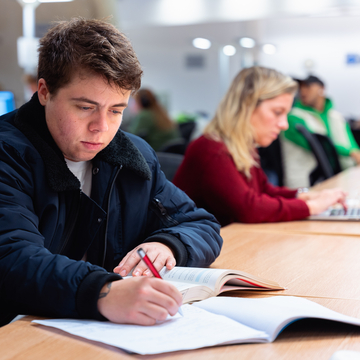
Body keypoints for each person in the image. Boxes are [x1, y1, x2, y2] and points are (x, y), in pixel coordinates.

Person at [0, 17, 223, 327]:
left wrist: (167, 244)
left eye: (116, 110)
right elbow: (11, 259)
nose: (101, 128)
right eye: (84, 107)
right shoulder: (6, 153)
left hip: (103, 333)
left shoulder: (133, 155)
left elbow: (200, 224)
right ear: (44, 92)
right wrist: (102, 291)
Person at [173, 67, 346, 226]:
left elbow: (264, 190)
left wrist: (304, 194)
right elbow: (248, 208)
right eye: (277, 112)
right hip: (191, 253)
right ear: (246, 106)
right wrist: (310, 207)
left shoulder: (243, 145)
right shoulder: (212, 149)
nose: (284, 124)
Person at [282, 75, 360, 188]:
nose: (303, 91)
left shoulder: (336, 117)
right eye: (301, 88)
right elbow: (320, 145)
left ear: (321, 88)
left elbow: (350, 143)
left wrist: (355, 153)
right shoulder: (293, 117)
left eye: (308, 86)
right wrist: (351, 153)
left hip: (340, 176)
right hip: (307, 182)